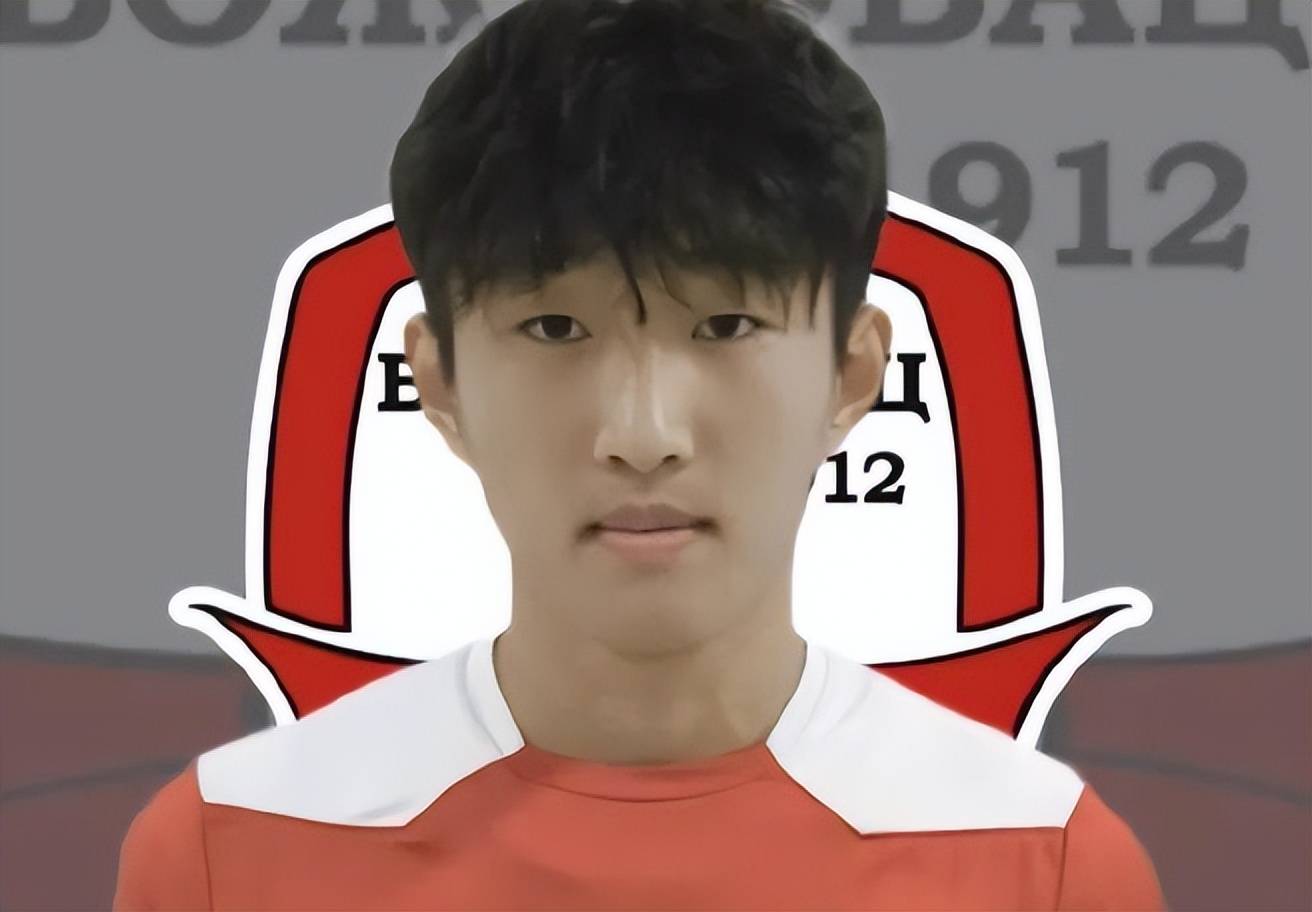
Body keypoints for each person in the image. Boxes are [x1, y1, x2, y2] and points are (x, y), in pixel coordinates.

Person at [113, 0, 1167, 909]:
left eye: (725, 326)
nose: (643, 434)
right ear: (438, 383)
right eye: (555, 328)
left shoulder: (1038, 862)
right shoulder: (232, 848)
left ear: (852, 375)